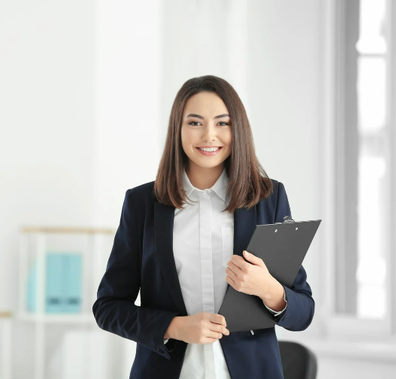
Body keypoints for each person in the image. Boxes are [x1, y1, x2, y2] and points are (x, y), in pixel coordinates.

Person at [92, 75, 314, 379]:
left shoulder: (268, 198)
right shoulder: (142, 203)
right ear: (177, 129)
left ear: (238, 130)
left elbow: (304, 311)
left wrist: (270, 290)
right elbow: (108, 307)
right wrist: (175, 326)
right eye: (195, 123)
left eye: (222, 123)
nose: (209, 135)